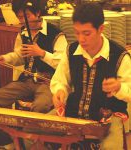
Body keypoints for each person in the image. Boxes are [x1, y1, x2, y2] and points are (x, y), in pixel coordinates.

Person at [50, 2, 131, 150]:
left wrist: (119, 87)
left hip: (108, 119)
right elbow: (60, 80)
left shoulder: (119, 56)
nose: (81, 39)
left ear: (101, 29)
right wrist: (60, 91)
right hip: (74, 114)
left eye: (86, 33)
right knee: (44, 136)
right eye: (77, 32)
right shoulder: (71, 51)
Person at [0, 0, 67, 113]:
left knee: (39, 108)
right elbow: (19, 55)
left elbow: (63, 63)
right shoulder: (23, 33)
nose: (23, 21)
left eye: (27, 16)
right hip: (26, 81)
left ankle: (27, 130)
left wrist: (42, 53)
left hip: (48, 83)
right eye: (20, 17)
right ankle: (5, 129)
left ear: (38, 13)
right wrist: (5, 59)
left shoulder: (56, 34)